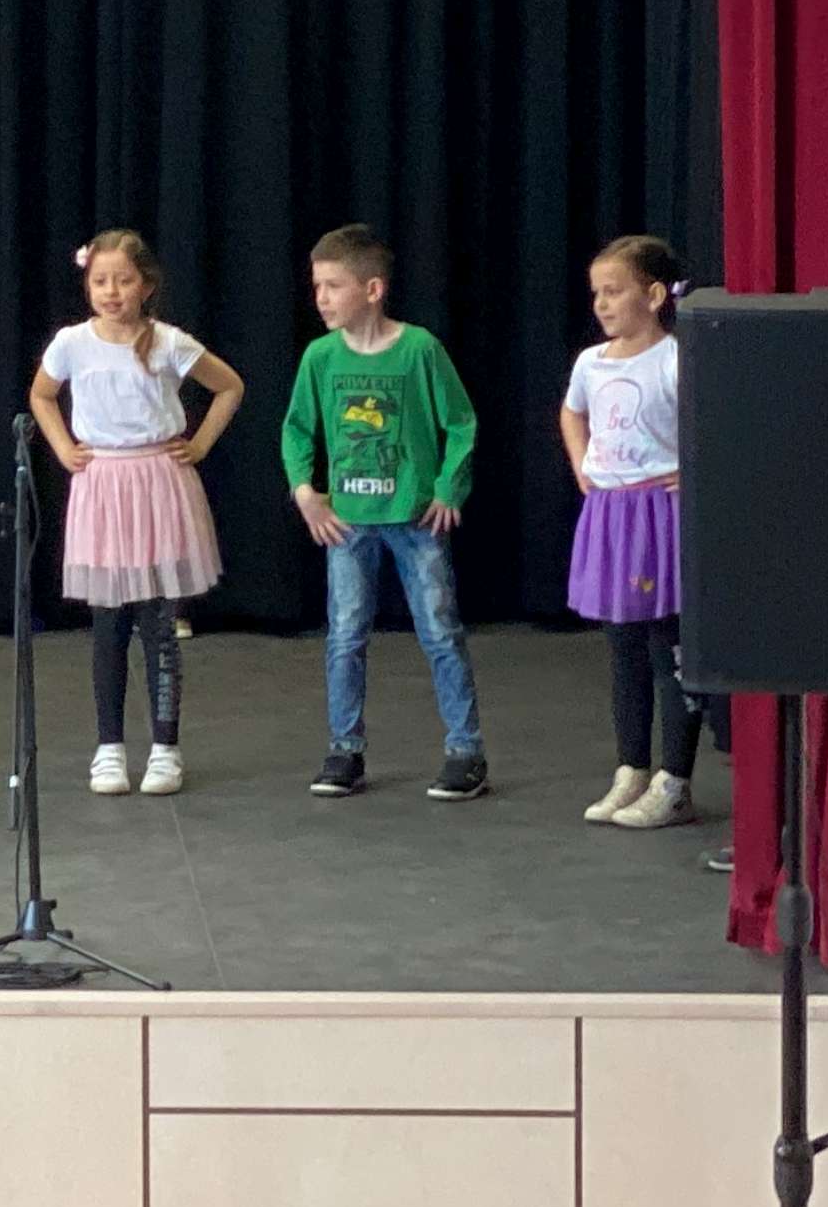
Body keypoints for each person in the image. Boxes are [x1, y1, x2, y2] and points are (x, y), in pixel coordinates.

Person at [28, 230, 245, 798]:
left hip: (158, 484)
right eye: (100, 281)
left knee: (158, 624)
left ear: (146, 285)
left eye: (124, 281)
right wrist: (62, 446)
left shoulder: (168, 341)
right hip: (102, 486)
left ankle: (166, 749)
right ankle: (109, 748)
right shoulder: (72, 343)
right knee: (108, 625)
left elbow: (228, 386)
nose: (111, 291)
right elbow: (41, 395)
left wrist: (199, 444)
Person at [283, 223, 489, 801]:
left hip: (414, 520)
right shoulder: (321, 357)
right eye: (317, 286)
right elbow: (297, 429)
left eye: (333, 286)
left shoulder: (419, 350)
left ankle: (466, 751)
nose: (321, 298)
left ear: (372, 289)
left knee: (440, 632)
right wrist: (305, 492)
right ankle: (343, 749)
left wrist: (449, 489)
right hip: (349, 522)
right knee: (345, 636)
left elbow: (461, 422)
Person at [561, 234, 697, 830]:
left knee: (667, 648)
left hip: (658, 515)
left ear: (655, 295)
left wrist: (694, 469)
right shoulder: (591, 362)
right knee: (622, 648)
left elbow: (714, 419)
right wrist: (582, 463)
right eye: (597, 293)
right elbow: (572, 410)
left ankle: (674, 781)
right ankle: (631, 769)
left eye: (614, 292)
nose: (601, 304)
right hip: (611, 513)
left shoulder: (676, 359)